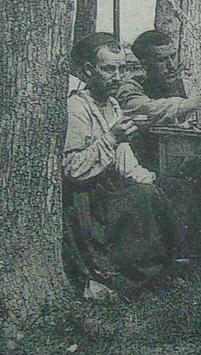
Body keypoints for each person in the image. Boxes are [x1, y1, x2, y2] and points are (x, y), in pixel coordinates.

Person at [63, 33, 182, 301]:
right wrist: (112, 137)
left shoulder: (113, 104)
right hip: (87, 197)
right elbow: (72, 169)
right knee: (144, 197)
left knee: (168, 188)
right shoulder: (77, 108)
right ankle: (130, 278)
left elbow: (124, 159)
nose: (116, 76)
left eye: (122, 69)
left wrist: (148, 178)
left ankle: (168, 266)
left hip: (111, 188)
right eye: (108, 69)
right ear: (88, 71)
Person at [121, 28, 201, 264]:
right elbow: (153, 110)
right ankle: (181, 255)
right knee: (184, 187)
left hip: (183, 160)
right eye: (161, 60)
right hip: (143, 165)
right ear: (144, 64)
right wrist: (197, 103)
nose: (171, 64)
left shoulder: (183, 85)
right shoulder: (129, 88)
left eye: (173, 56)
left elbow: (200, 115)